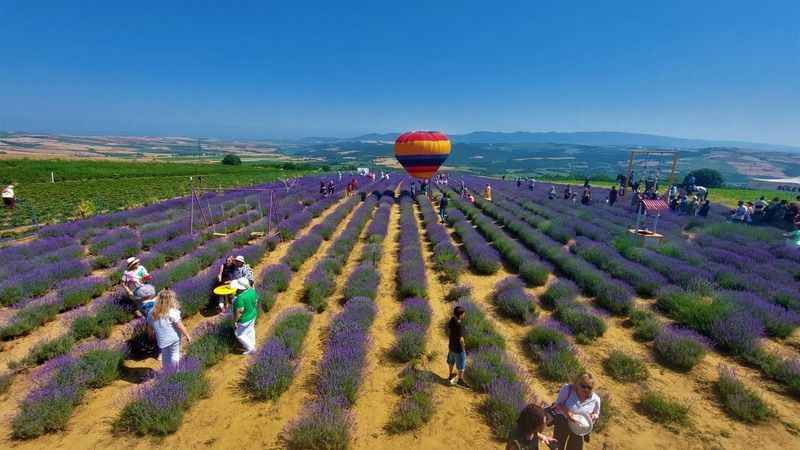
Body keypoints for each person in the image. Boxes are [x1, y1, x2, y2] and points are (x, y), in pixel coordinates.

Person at [551, 373, 601, 450]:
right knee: (557, 447)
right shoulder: (568, 389)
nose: (586, 389)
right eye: (583, 386)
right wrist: (568, 413)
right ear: (577, 384)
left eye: (589, 387)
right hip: (563, 422)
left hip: (580, 427)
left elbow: (596, 413)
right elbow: (558, 404)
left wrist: (593, 416)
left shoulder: (595, 399)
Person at [147, 289, 191, 371]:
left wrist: (150, 336)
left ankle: (167, 372)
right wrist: (187, 335)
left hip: (162, 340)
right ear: (171, 300)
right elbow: (180, 325)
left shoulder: (151, 312)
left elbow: (149, 327)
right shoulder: (172, 311)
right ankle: (176, 372)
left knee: (165, 356)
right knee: (175, 354)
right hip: (174, 338)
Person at [231, 277, 258, 354]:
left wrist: (235, 321)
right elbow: (256, 302)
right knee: (250, 330)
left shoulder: (240, 298)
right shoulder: (252, 291)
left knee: (239, 334)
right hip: (253, 315)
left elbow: (239, 311)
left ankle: (251, 349)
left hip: (244, 319)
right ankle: (252, 343)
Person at [446, 305, 468, 387]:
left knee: (451, 361)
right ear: (460, 315)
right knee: (461, 365)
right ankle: (460, 380)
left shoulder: (452, 320)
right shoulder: (459, 326)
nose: (464, 315)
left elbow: (449, 330)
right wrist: (463, 348)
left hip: (451, 346)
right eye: (463, 313)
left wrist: (452, 339)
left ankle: (450, 375)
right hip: (458, 349)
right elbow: (461, 340)